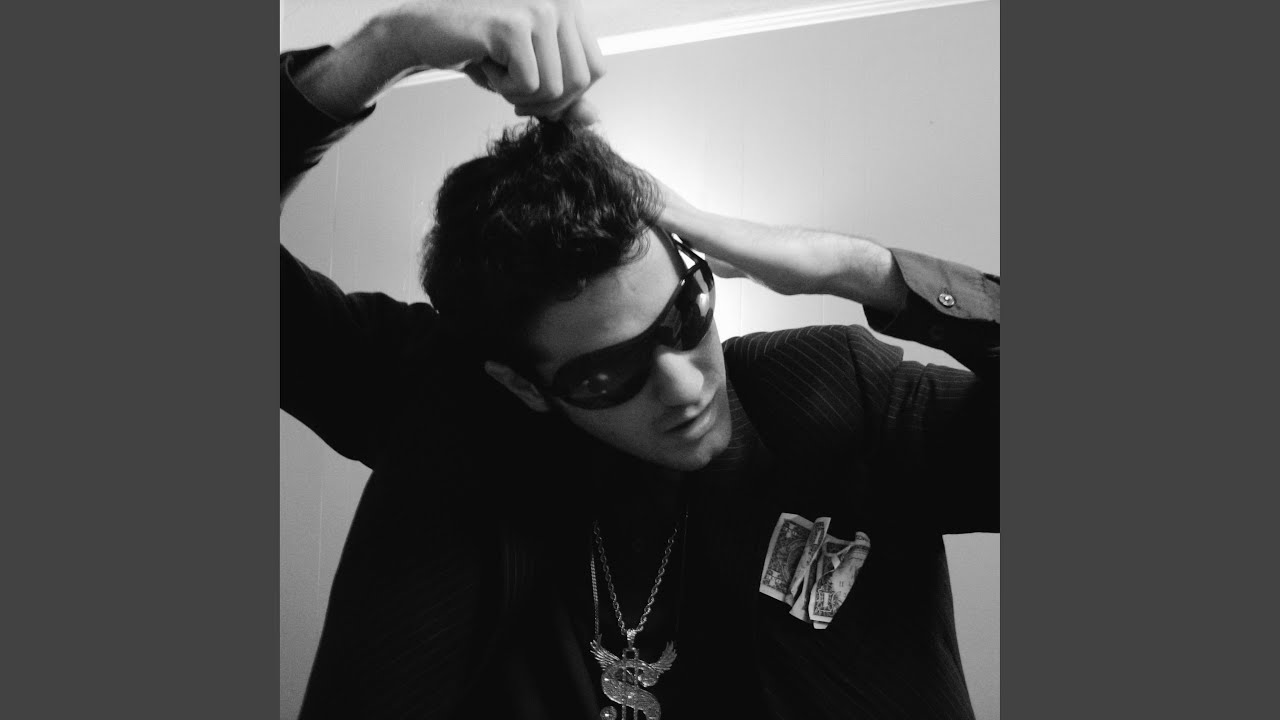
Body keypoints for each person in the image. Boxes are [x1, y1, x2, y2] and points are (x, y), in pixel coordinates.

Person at [281, 1, 999, 718]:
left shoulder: (832, 393)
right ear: (523, 385)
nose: (685, 384)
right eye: (608, 374)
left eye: (686, 313)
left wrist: (854, 268)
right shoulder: (454, 404)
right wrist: (386, 47)